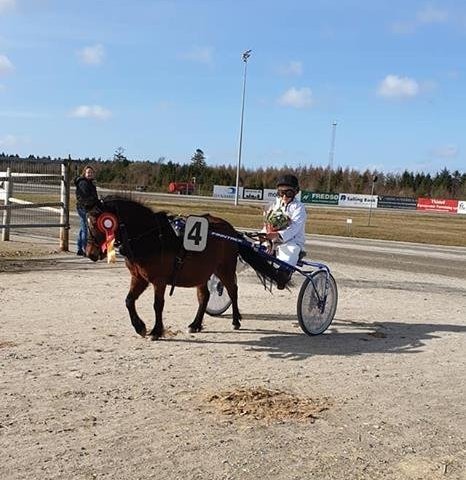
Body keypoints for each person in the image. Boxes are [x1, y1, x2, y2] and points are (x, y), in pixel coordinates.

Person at [262, 174, 307, 289]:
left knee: (291, 251)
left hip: (291, 241)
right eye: (281, 193)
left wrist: (277, 235)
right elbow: (267, 223)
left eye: (289, 193)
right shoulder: (275, 204)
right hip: (272, 240)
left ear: (296, 192)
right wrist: (264, 234)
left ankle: (283, 275)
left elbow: (294, 229)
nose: (284, 196)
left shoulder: (299, 208)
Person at [75, 165, 99, 256]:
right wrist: (94, 201)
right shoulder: (83, 183)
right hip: (83, 208)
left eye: (91, 173)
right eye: (88, 172)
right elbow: (85, 197)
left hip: (88, 207)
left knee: (82, 228)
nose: (90, 174)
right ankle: (85, 249)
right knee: (85, 229)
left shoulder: (91, 183)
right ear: (84, 173)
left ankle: (79, 248)